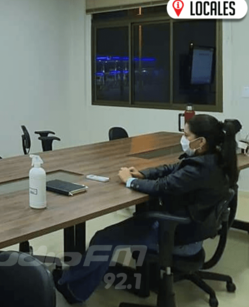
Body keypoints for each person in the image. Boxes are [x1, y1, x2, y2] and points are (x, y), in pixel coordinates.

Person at [54, 114, 239, 304]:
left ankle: (74, 290)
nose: (182, 139)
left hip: (176, 233)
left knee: (104, 239)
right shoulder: (215, 159)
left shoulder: (198, 169)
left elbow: (162, 186)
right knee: (119, 232)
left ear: (200, 141)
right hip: (194, 231)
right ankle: (84, 276)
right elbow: (173, 169)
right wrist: (143, 174)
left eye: (186, 135)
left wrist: (130, 180)